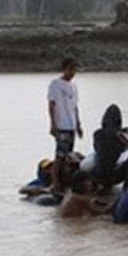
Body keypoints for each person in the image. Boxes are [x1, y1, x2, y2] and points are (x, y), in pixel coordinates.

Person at [47, 57, 83, 192]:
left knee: (69, 155)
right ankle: (54, 181)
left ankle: (65, 180)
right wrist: (53, 124)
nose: (72, 73)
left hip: (71, 126)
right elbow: (51, 104)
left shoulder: (74, 87)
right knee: (60, 155)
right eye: (70, 70)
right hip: (61, 125)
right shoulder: (55, 84)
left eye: (74, 70)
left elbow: (75, 107)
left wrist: (78, 125)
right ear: (64, 69)